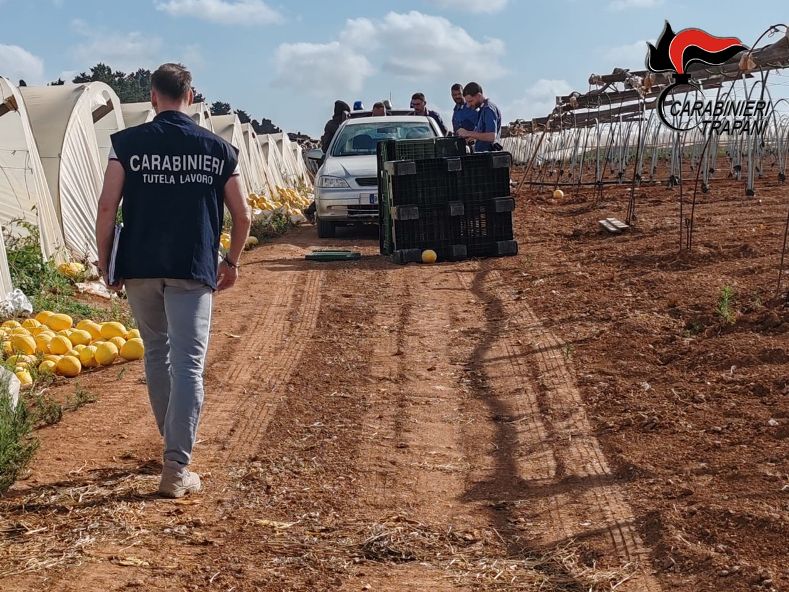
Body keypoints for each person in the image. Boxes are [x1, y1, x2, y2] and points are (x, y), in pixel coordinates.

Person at [94, 63, 252, 498]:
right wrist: (232, 262)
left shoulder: (127, 144)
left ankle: (173, 445)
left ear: (152, 96)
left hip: (140, 265)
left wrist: (104, 261)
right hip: (192, 267)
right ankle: (177, 466)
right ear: (192, 95)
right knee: (188, 365)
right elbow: (243, 214)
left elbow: (107, 208)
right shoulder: (217, 149)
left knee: (156, 355)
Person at [457, 82, 502, 152]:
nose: (468, 105)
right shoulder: (482, 110)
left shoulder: (488, 109)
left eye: (470, 101)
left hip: (489, 157)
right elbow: (482, 133)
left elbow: (492, 136)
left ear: (479, 96)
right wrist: (471, 137)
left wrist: (468, 133)